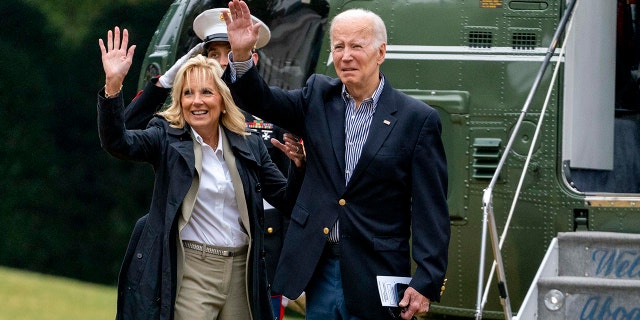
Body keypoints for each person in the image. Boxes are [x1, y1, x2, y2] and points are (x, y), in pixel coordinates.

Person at [222, 1, 450, 319]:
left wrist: (426, 279)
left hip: (377, 270)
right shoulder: (317, 96)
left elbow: (431, 210)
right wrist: (243, 56)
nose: (345, 56)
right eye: (338, 46)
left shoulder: (416, 119)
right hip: (320, 265)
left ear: (381, 52)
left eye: (356, 46)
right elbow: (261, 100)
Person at [98, 26, 303, 320]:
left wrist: (299, 167)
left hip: (244, 273)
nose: (196, 101)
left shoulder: (250, 143)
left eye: (206, 92)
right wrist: (113, 86)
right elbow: (118, 142)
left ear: (222, 100)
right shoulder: (166, 137)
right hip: (192, 267)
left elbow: (286, 199)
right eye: (187, 94)